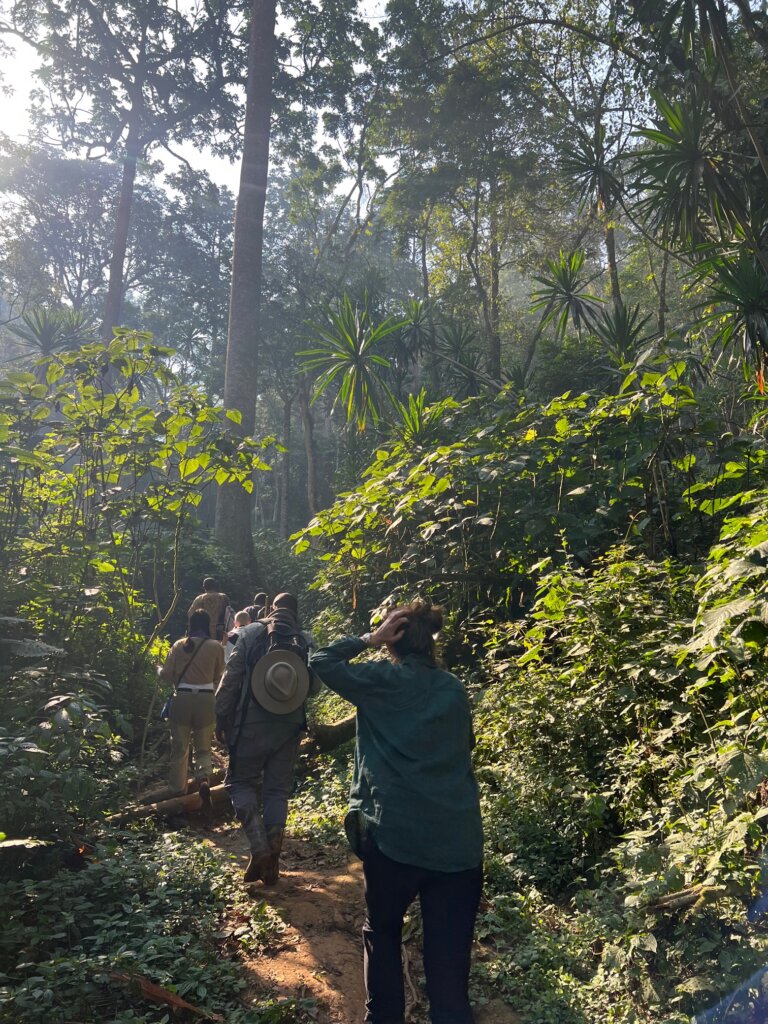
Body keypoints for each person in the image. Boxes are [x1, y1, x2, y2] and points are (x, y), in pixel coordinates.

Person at [309, 601, 483, 1024]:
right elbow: (466, 747)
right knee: (449, 957)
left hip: (394, 839)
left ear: (395, 639)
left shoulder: (380, 679)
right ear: (432, 643)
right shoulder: (454, 690)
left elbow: (321, 659)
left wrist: (369, 638)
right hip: (458, 844)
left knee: (383, 931)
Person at [215, 592, 315, 885]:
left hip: (250, 724)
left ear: (271, 609)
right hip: (289, 725)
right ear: (296, 612)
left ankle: (258, 846)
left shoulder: (250, 633)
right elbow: (315, 687)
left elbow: (231, 677)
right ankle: (272, 861)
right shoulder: (305, 639)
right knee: (276, 792)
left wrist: (221, 715)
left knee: (238, 782)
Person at [159, 609, 225, 805]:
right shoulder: (216, 647)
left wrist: (158, 669)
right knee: (204, 748)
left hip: (182, 699)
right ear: (208, 625)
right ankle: (203, 778)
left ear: (190, 624)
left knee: (180, 747)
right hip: (206, 700)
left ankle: (177, 790)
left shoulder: (179, 645)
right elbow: (219, 676)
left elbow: (167, 676)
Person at [188, 577, 231, 641]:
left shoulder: (200, 598)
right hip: (221, 632)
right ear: (215, 586)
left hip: (204, 632)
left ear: (204, 586)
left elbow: (190, 614)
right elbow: (229, 613)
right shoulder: (223, 597)